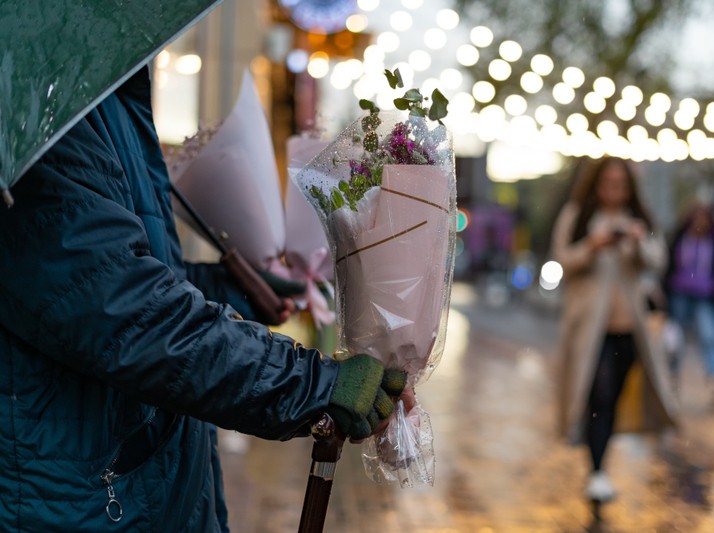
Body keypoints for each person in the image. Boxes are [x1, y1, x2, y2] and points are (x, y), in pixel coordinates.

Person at [0, 66, 408, 531]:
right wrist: (311, 384)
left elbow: (112, 273)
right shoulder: (34, 94)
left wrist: (226, 290)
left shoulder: (97, 86)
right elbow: (117, 311)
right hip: (77, 500)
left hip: (149, 484)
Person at [551, 156, 678, 503]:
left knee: (615, 397)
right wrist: (593, 245)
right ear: (596, 183)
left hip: (631, 332)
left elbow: (659, 260)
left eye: (620, 183)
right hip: (590, 332)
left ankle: (599, 462)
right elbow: (562, 259)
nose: (614, 189)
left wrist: (636, 241)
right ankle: (597, 471)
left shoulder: (640, 218)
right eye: (608, 182)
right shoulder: (577, 214)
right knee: (600, 396)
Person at [663, 204, 714, 404]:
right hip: (679, 294)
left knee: (709, 334)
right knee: (676, 340)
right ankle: (671, 378)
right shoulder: (679, 239)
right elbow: (667, 267)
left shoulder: (712, 242)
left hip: (704, 296)